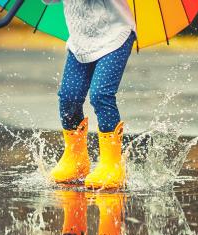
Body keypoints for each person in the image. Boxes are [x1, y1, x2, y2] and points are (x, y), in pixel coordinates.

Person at [42, 0, 137, 189]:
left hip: (114, 35)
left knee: (101, 95)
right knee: (69, 98)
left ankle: (112, 164)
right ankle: (76, 159)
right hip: (81, 41)